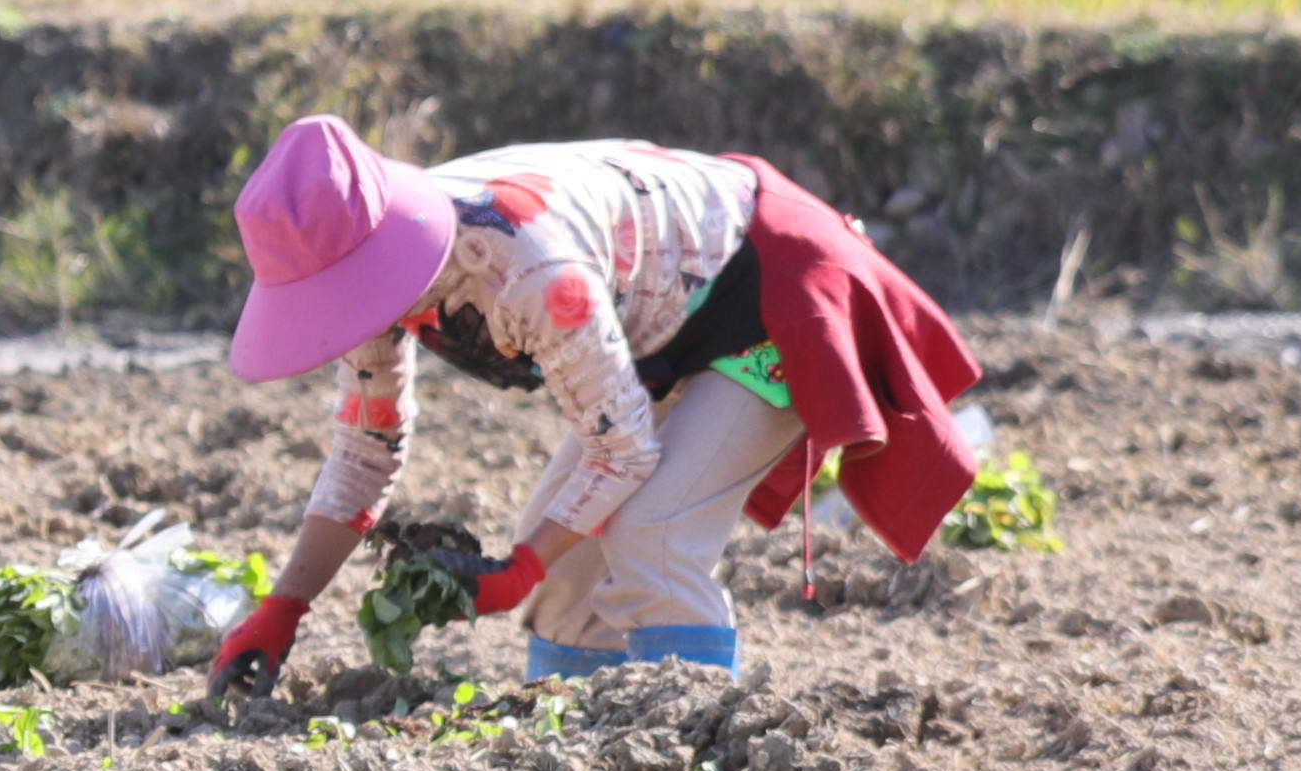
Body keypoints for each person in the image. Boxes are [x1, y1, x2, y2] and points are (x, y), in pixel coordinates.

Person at [207, 117, 988, 685]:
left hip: (766, 299)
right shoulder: (371, 295)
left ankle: (705, 752)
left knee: (652, 538)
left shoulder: (534, 270)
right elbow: (367, 452)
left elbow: (625, 452)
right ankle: (583, 756)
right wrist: (287, 608)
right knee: (566, 581)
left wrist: (516, 568)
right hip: (654, 325)